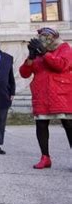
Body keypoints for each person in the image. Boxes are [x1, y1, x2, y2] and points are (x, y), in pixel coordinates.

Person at [19, 27, 72, 169]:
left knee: (68, 124)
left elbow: (61, 65)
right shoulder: (37, 53)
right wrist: (31, 57)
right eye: (41, 36)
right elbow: (24, 73)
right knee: (41, 125)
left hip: (62, 93)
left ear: (54, 37)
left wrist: (45, 53)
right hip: (42, 93)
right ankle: (45, 157)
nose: (44, 39)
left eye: (46, 36)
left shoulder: (65, 48)